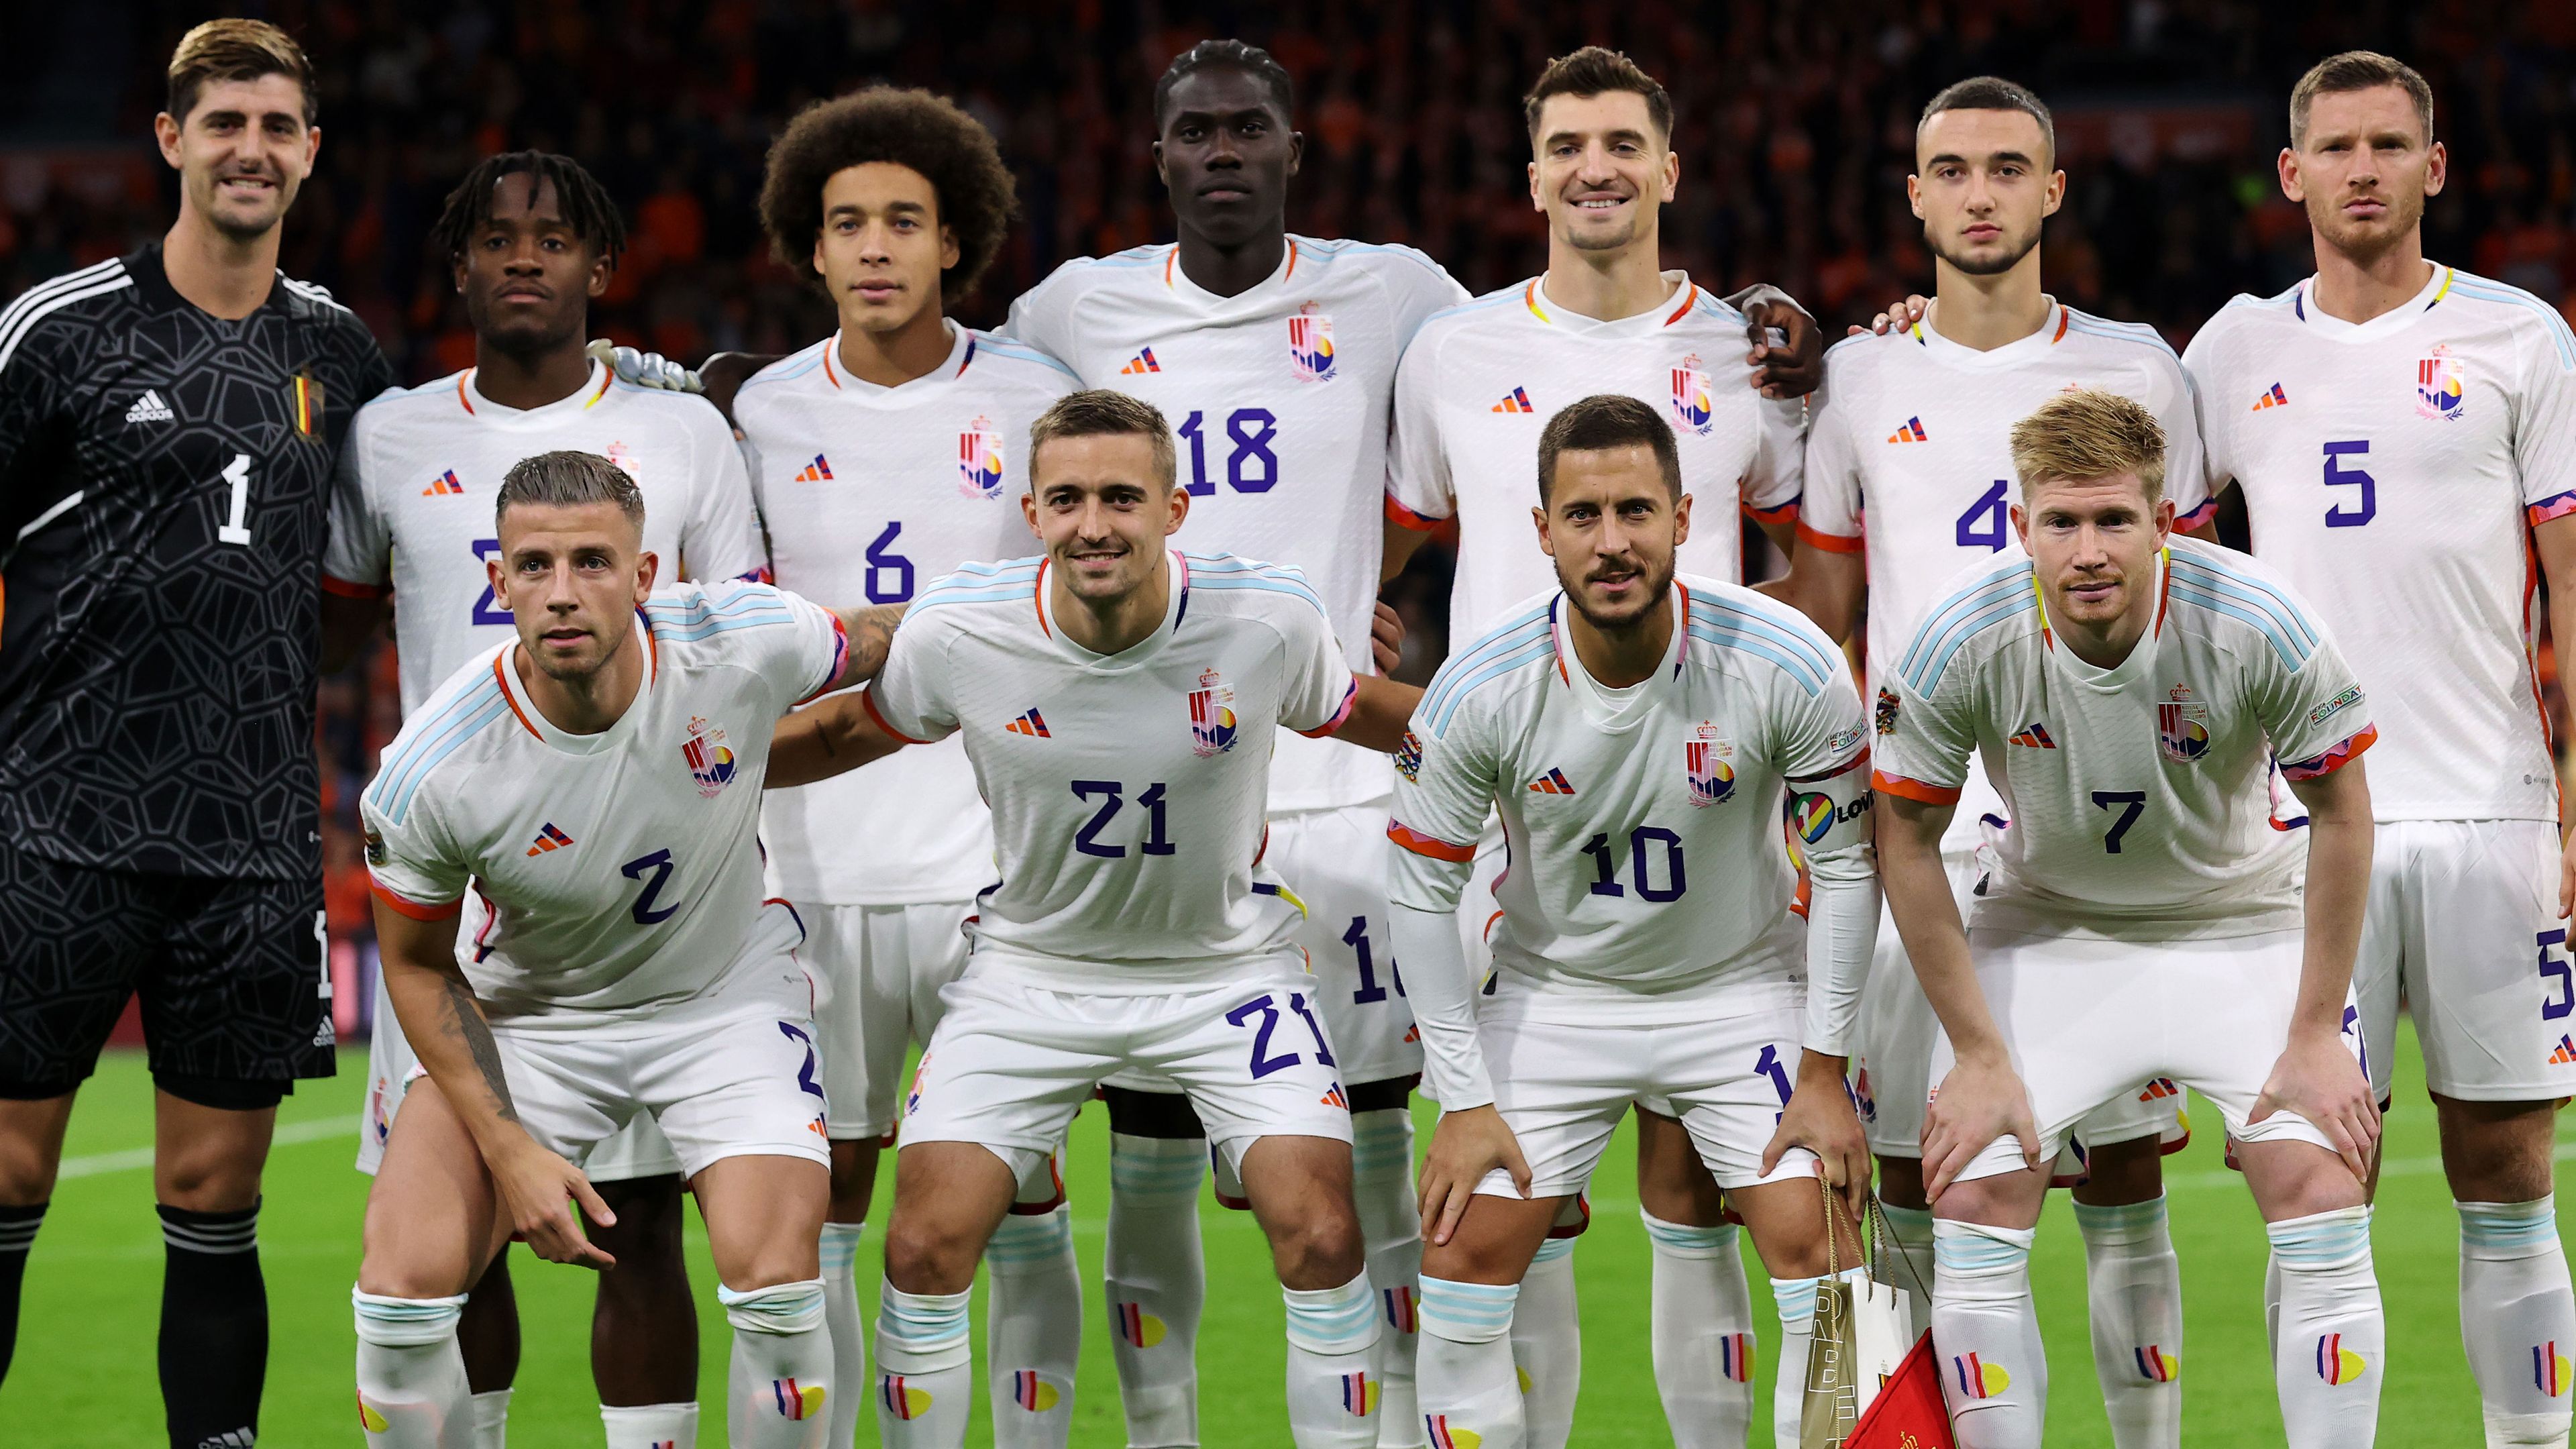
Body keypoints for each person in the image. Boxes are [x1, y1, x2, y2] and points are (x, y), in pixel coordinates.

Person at [764, 388, 1421, 1449]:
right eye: (1066, 499)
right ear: (1032, 511)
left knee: (1320, 1230)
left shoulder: (1263, 620)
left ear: (1176, 506)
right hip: (1031, 971)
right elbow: (845, 735)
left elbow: (1359, 713)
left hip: (1225, 973)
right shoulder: (962, 629)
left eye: (1122, 497)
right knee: (924, 1246)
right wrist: (690, 768)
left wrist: (1523, 743)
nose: (1094, 524)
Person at [1001, 40, 1468, 1443]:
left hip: (1343, 797)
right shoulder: (1075, 308)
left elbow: (1503, 419)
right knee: (1148, 1161)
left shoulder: (1393, 290)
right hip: (1161, 806)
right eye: (1195, 131)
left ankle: (1385, 1428)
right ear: (1158, 159)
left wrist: (1394, 599)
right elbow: (956, 413)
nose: (1221, 151)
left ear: (1291, 152)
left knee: (1373, 1161)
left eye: (1246, 129)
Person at [1380, 45, 1815, 1446]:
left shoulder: (1746, 355)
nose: (1595, 167)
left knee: (1755, 1205)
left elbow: (1811, 569)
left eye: (1623, 142)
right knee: (1509, 1213)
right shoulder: (1453, 351)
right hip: (1518, 824)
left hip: (1718, 821)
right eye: (1566, 145)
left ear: (1669, 169)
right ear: (1531, 176)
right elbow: (1405, 546)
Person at [1774, 77, 2207, 1449]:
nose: (1979, 194)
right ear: (1914, 197)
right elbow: (1823, 620)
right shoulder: (1860, 377)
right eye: (1951, 170)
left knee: (2125, 1171)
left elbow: (2183, 604)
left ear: (2053, 190)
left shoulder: (2140, 366)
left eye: (2007, 169)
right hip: (1923, 834)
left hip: (2102, 831)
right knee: (1925, 1173)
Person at [319, 150, 767, 1449]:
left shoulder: (686, 435)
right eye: (497, 238)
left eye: (554, 237)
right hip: (457, 893)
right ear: (459, 265)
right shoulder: (394, 434)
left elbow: (742, 641)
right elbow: (336, 634)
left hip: (646, 885)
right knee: (467, 1242)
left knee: (637, 1233)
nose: (525, 256)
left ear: (600, 269)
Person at [0, 21, 394, 1447]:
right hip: (54, 820)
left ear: (308, 152)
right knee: (7, 1176)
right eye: (225, 121)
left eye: (278, 126)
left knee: (220, 1199)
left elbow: (358, 572)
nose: (252, 148)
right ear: (170, 139)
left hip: (247, 842)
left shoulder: (338, 348)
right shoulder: (61, 329)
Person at [2179, 52, 2576, 1448]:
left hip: (2491, 817)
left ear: (2436, 165)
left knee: (2509, 1171)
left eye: (2388, 144)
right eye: (2335, 146)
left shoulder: (2524, 339)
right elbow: (2163, 585)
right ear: (2290, 175)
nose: (2361, 168)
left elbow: (2573, 580)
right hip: (2299, 833)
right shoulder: (2229, 352)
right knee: (2312, 1178)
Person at [350, 450, 898, 1449]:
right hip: (536, 1016)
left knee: (777, 1285)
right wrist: (512, 1149)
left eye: (594, 562)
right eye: (533, 567)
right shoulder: (432, 770)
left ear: (646, 578)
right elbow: (420, 967)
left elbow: (884, 645)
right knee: (396, 1300)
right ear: (498, 580)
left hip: (724, 997)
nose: (562, 594)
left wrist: (1034, 624)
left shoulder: (742, 634)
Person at [1873, 388, 2385, 1447]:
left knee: (2323, 1186)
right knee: (1970, 1200)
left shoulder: (2259, 623)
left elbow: (2343, 816)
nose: (2090, 550)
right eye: (2062, 522)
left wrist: (2315, 1035)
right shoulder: (1957, 640)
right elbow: (1908, 844)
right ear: (2023, 528)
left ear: (2165, 522)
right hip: (2048, 928)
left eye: (2115, 521)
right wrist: (1975, 1052)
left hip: (2242, 923)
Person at [1386, 394, 1876, 1449]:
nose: (1613, 543)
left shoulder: (1785, 660)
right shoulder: (1482, 686)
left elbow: (1844, 865)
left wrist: (1828, 1069)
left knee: (1832, 1250)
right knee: (1462, 1253)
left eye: (1637, 512)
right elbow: (1420, 891)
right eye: (1585, 515)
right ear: (1541, 529)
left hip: (1740, 987)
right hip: (1555, 998)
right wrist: (1465, 1100)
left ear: (1685, 517)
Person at [733, 86, 1085, 1449]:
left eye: (903, 222)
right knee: (821, 1195)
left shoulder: (1034, 400)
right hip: (811, 863)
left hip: (994, 866)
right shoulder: (757, 413)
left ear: (957, 240)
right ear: (808, 250)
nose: (874, 248)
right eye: (844, 225)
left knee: (1015, 1188)